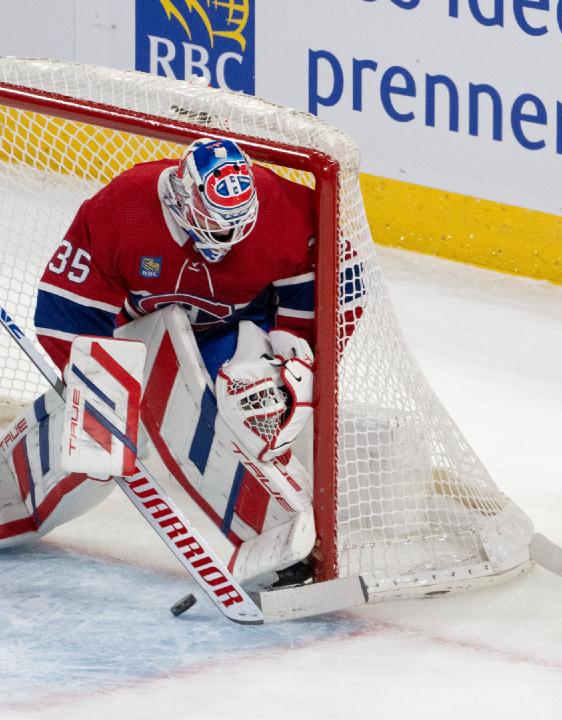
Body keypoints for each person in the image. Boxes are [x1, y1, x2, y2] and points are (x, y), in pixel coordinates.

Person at [2, 137, 322, 590]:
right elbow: (63, 312)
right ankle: (9, 502)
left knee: (254, 401)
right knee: (93, 460)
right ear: (181, 197)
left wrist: (295, 348)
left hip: (234, 335)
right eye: (215, 226)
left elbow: (335, 281)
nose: (227, 243)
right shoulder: (126, 206)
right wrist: (99, 397)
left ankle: (284, 544)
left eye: (237, 227)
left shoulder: (281, 209)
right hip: (133, 341)